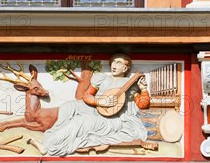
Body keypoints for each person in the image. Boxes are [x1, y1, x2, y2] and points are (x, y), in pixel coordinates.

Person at [28, 53, 156, 156]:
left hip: (113, 118)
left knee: (79, 121)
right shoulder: (102, 79)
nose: (114, 65)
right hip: (96, 108)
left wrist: (143, 89)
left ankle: (48, 145)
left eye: (118, 62)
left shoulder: (129, 84)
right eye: (113, 62)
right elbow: (87, 96)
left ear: (126, 68)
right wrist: (99, 101)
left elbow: (142, 104)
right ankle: (54, 134)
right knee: (69, 106)